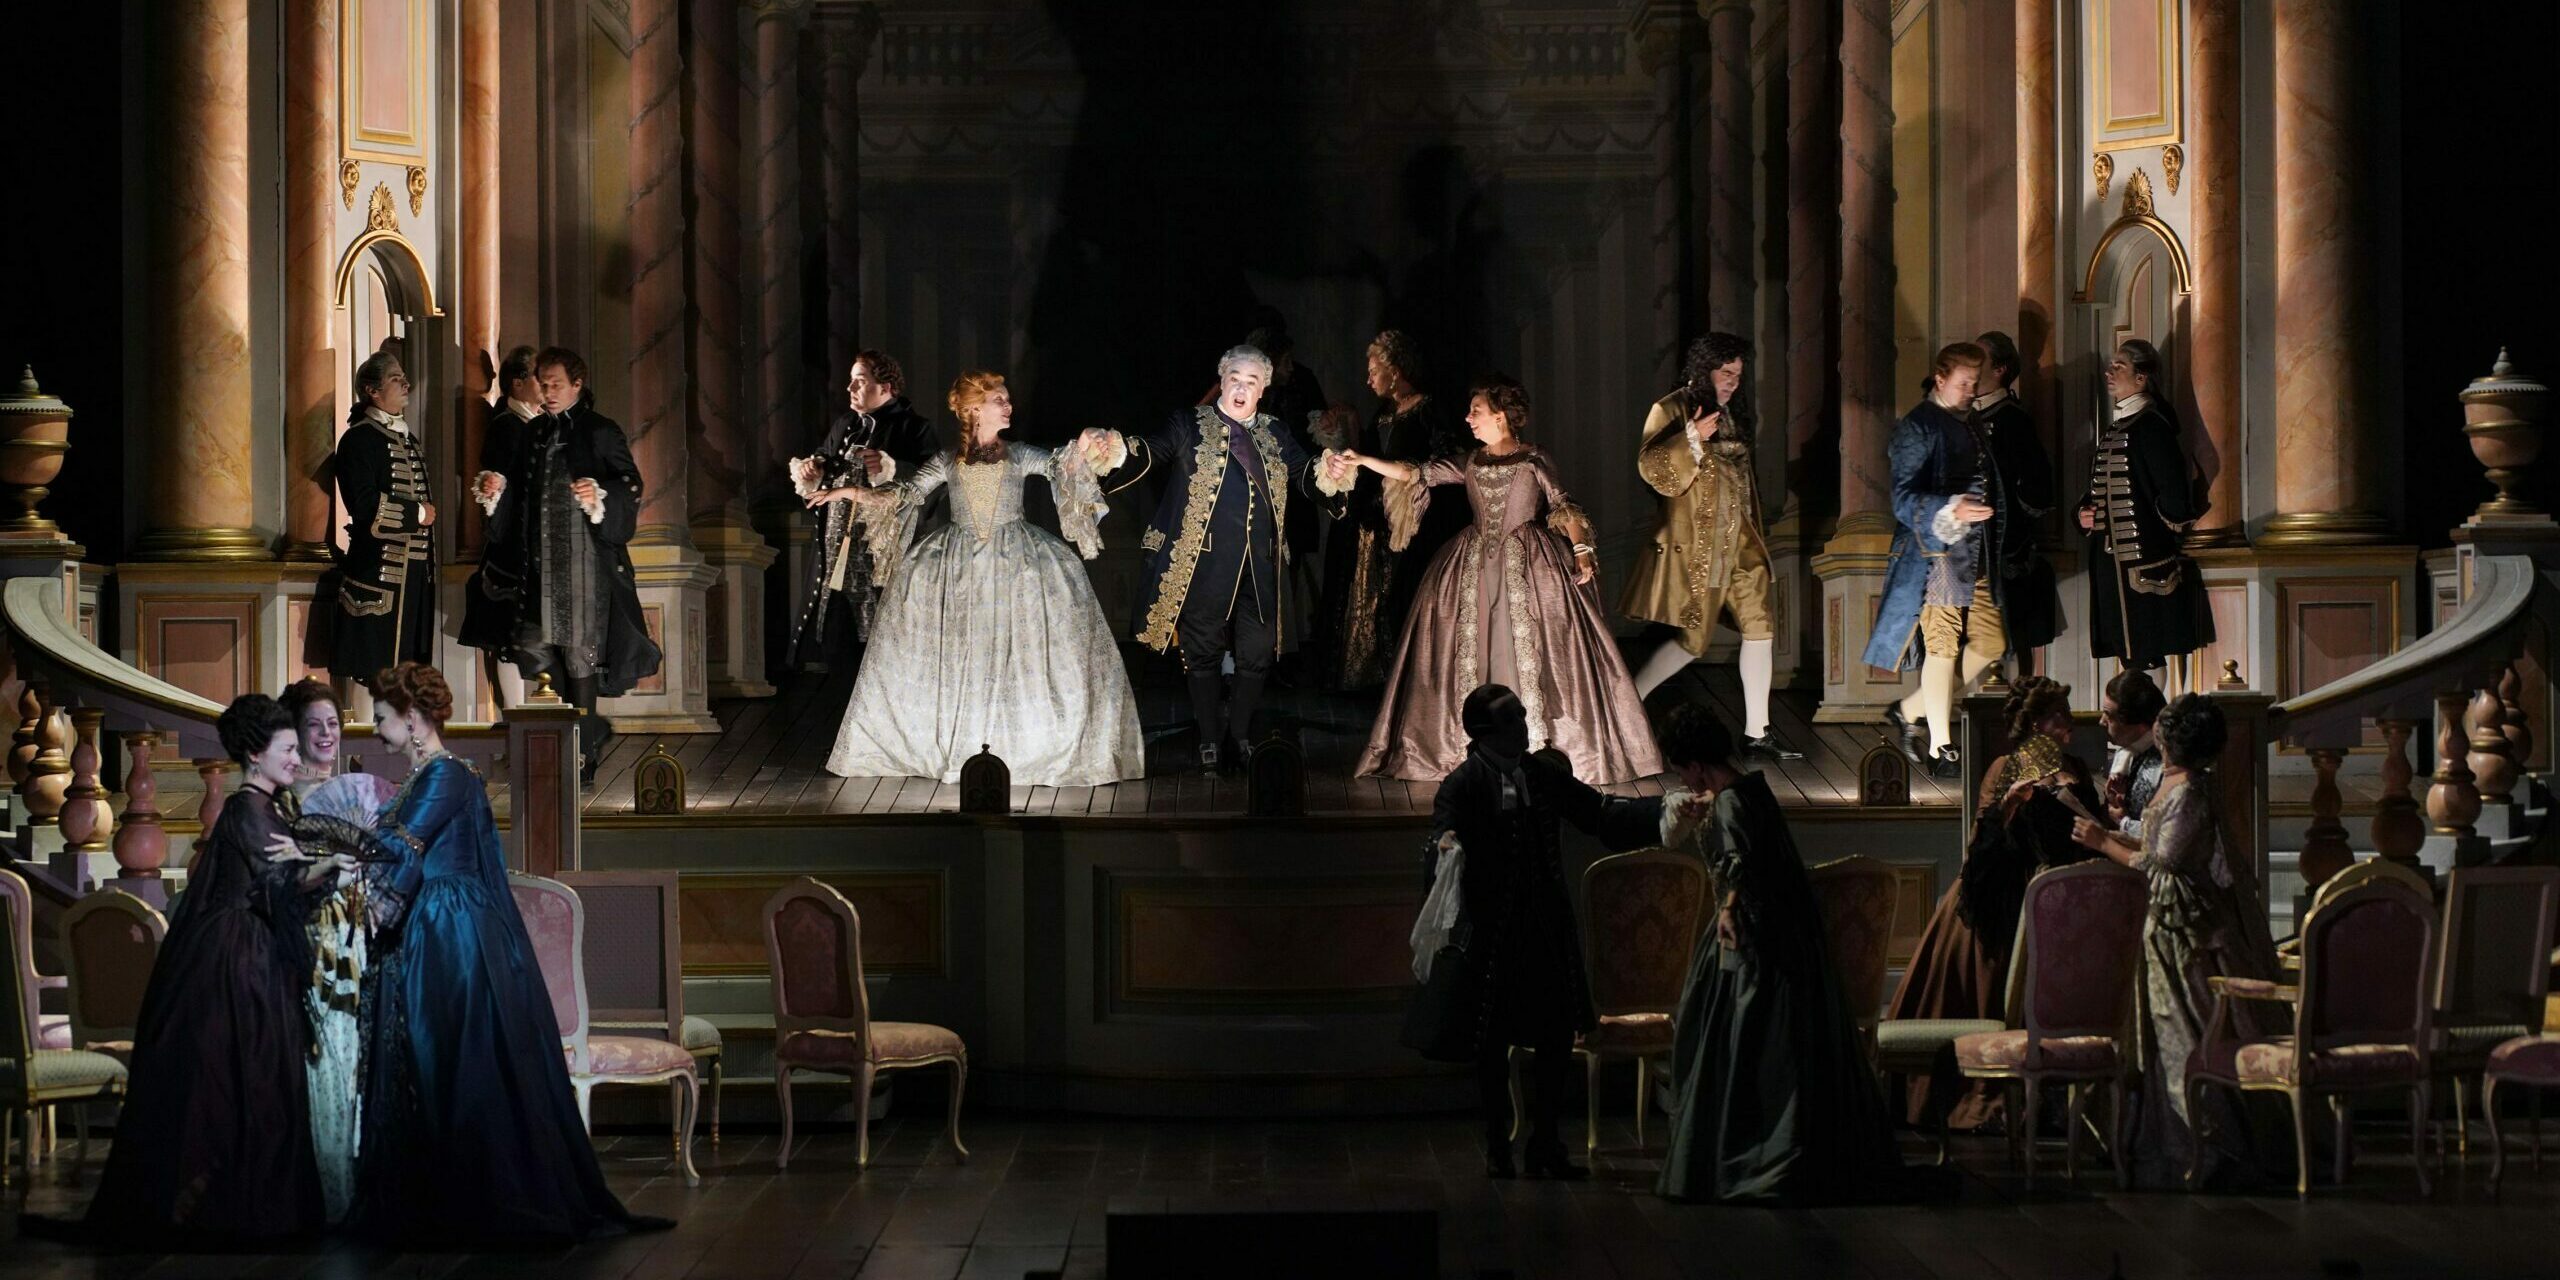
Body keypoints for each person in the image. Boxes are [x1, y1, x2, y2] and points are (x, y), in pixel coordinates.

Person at [342, 663, 666, 1245]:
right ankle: (435, 1195)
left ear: (412, 720)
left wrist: (345, 852)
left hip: (449, 927)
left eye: (382, 718)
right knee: (430, 1054)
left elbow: (401, 846)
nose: (375, 729)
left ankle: (477, 1196)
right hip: (430, 921)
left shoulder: (446, 775)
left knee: (453, 1054)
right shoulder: (425, 776)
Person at [75, 695, 353, 1245]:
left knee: (255, 1076)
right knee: (239, 1075)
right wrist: (327, 865)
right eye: (287, 749)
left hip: (254, 951)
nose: (296, 758)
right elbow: (276, 882)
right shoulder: (246, 808)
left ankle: (247, 1203)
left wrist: (320, 864)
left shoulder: (268, 807)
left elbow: (284, 880)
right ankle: (229, 1208)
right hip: (235, 959)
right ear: (255, 755)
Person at [824, 372, 1144, 787]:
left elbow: (1059, 466)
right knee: (963, 651)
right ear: (975, 409)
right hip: (956, 567)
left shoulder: (1018, 454)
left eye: (1007, 399)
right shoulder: (947, 461)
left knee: (1017, 649)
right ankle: (961, 742)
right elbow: (904, 495)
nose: (1008, 406)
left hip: (1018, 561)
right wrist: (848, 493)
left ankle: (1021, 742)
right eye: (999, 400)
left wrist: (1086, 444)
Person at [1341, 374, 1662, 784]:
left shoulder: (1533, 459)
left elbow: (1562, 504)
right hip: (1473, 562)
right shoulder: (1471, 461)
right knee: (1472, 645)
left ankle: (1537, 744)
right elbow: (1416, 473)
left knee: (1531, 646)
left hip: (1528, 563)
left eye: (1476, 411)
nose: (1468, 418)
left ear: (1500, 416)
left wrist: (1581, 550)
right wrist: (1363, 460)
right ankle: (1472, 743)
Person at [1652, 704, 1902, 1204]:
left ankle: (1751, 1159)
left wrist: (1729, 909)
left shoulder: (1730, 803)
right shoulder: (1751, 790)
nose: (1683, 779)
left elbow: (1741, 863)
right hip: (1785, 934)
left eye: (1682, 770)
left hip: (1751, 937)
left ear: (1696, 765)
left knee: (1745, 1048)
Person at [1427, 685, 1674, 1179]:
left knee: (1556, 1036)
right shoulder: (1464, 784)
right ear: (1485, 732)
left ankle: (1546, 1146)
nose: (1524, 724)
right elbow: (1442, 830)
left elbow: (1599, 813)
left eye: (1522, 714)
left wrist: (1666, 811)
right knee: (1492, 1042)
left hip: (1544, 930)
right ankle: (1498, 1147)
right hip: (1495, 936)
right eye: (1512, 718)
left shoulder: (1540, 775)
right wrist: (1446, 843)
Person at [1086, 345, 1351, 772]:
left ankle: (1239, 734)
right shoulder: (1189, 424)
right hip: (1204, 562)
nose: (1241, 389)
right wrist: (1115, 450)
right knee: (1202, 652)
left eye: (1251, 382)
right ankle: (1210, 737)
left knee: (1258, 652)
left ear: (1263, 389)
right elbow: (1151, 451)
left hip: (1259, 565)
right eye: (1234, 379)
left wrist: (1331, 472)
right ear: (1222, 380)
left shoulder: (1276, 432)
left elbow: (1304, 474)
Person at [2072, 694, 2285, 1188]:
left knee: (2185, 1032)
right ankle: (2162, 1141)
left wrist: (2103, 843)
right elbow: (2156, 845)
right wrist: (2113, 832)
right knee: (2156, 1037)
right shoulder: (2176, 782)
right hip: (2162, 928)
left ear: (2169, 739)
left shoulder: (2190, 789)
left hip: (2185, 935)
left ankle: (2206, 1145)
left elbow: (2160, 864)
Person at [1884, 676, 2101, 1128]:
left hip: (2063, 895)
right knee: (1999, 990)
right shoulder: (2007, 766)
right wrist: (2011, 806)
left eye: (2066, 712)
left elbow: (2088, 829)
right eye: (2057, 714)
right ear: (2035, 723)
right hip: (2007, 895)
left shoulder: (2075, 767)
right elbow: (1983, 844)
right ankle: (1994, 1093)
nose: (2067, 721)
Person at [482, 347, 662, 784]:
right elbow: (521, 490)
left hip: (582, 564)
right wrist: (497, 489)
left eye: (556, 385)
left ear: (577, 384)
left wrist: (599, 494)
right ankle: (580, 735)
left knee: (580, 658)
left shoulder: (600, 430)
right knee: (536, 648)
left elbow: (630, 483)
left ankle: (581, 756)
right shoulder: (534, 431)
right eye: (543, 384)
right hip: (539, 563)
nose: (547, 392)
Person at [1622, 334, 1802, 761]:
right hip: (1701, 548)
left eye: (1738, 374)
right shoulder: (1670, 408)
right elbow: (1651, 468)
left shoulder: (1732, 414)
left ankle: (1757, 732)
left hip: (1743, 545)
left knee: (1760, 629)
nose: (1733, 382)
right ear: (1704, 370)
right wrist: (1691, 437)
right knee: (1694, 640)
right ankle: (1625, 706)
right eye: (1726, 373)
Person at [1866, 342, 1999, 778]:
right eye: (1963, 383)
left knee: (1991, 642)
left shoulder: (1970, 420)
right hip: (1934, 552)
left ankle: (1910, 709)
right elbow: (1903, 499)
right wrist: (1950, 507)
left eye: (1975, 383)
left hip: (1975, 552)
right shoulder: (1917, 426)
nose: (1971, 391)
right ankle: (1943, 746)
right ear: (1940, 380)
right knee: (1942, 647)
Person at [1318, 329, 1472, 692]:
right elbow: (1368, 462)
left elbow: (1447, 462)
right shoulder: (1384, 415)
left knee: (1406, 594)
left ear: (1395, 371)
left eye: (1374, 371)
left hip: (1417, 522)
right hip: (1380, 521)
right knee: (1376, 597)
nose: (1369, 379)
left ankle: (1413, 678)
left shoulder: (1427, 409)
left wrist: (1411, 482)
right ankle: (1376, 676)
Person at [787, 350, 941, 671]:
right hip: (836, 553)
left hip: (881, 556)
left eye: (860, 380)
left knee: (879, 643)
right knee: (837, 641)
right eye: (851, 381)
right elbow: (823, 463)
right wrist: (812, 471)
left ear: (885, 387)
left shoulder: (914, 427)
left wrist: (891, 468)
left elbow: (934, 486)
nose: (851, 388)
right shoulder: (845, 425)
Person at [277, 677, 364, 1221]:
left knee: (356, 1062)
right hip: (316, 941)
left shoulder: (351, 791)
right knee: (324, 1061)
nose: (327, 734)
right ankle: (327, 1194)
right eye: (315, 726)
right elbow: (286, 879)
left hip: (357, 935)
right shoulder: (285, 799)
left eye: (333, 723)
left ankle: (356, 1187)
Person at [2076, 338, 2214, 673]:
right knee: (2129, 652)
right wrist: (2083, 514)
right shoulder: (2117, 428)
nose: (2110, 372)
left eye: (2119, 366)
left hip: (2144, 559)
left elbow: (2173, 493)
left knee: (2147, 649)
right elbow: (2098, 490)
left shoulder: (2152, 426)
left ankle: (2152, 707)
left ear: (2141, 377)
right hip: (2111, 561)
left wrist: (2162, 534)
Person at [327, 350, 437, 690]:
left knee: (405, 675)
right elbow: (362, 504)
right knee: (372, 670)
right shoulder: (359, 439)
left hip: (413, 578)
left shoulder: (407, 437)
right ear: (372, 391)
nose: (406, 384)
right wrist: (418, 513)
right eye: (395, 378)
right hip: (377, 574)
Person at [1966, 331, 2063, 673]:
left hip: (2001, 550)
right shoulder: (1965, 417)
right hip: (1966, 551)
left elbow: (2036, 487)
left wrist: (2010, 531)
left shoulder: (2012, 419)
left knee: (2009, 636)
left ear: (2000, 370)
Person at [460, 345, 546, 709]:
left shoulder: (541, 424)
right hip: (513, 549)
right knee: (509, 636)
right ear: (517, 383)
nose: (545, 384)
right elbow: (499, 488)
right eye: (538, 377)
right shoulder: (506, 427)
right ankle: (514, 715)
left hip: (539, 545)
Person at [2098, 668, 2168, 842]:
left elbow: (2169, 835)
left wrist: (2124, 822)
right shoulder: (2124, 757)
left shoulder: (2163, 764)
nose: (2102, 721)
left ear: (2138, 724)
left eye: (2109, 715)